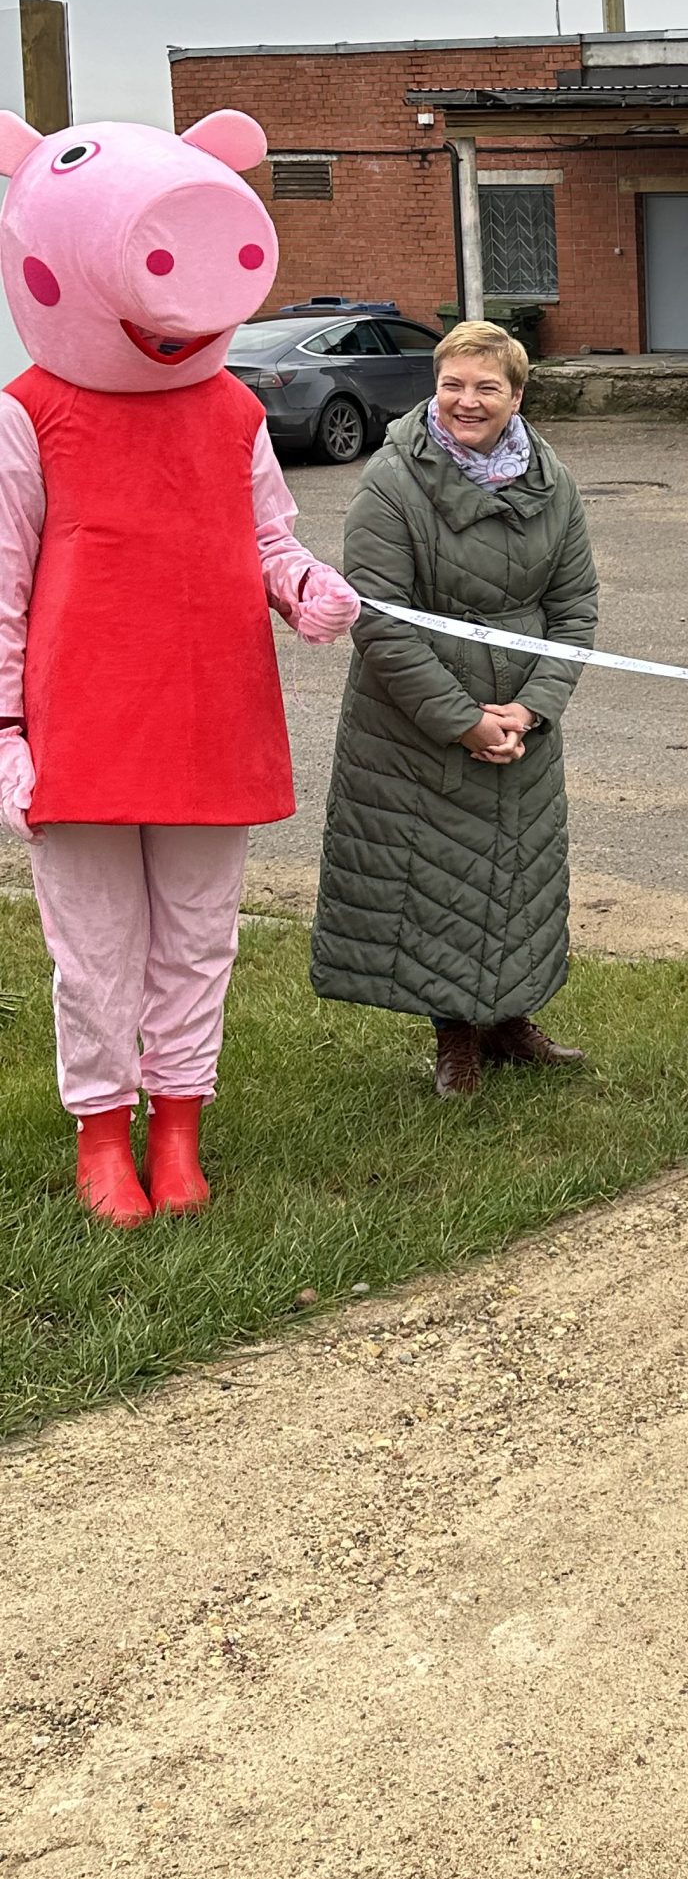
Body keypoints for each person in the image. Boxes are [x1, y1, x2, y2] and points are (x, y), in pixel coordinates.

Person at [0, 106, 360, 1224]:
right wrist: (4, 731)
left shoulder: (232, 409)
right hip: (82, 719)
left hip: (212, 707)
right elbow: (0, 584)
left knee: (200, 937)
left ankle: (180, 1124)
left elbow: (266, 537)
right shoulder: (28, 415)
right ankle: (102, 1132)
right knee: (94, 946)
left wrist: (303, 584)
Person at [311, 320, 600, 1097]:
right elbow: (379, 620)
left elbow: (575, 609)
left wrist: (531, 710)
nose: (467, 401)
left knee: (517, 870)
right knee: (436, 877)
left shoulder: (554, 482)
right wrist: (464, 720)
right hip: (417, 720)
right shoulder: (391, 481)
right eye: (452, 385)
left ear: (517, 396)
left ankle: (508, 1019)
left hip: (522, 716)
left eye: (486, 387)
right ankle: (454, 1036)